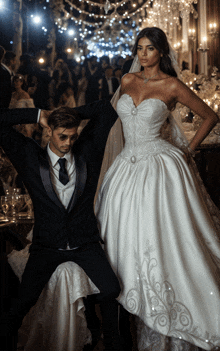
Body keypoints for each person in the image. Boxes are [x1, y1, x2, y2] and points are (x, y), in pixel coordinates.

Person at [95, 27, 220, 351]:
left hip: (159, 166)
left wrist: (187, 150)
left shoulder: (172, 85)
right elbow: (112, 125)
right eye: (139, 48)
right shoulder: (126, 80)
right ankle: (121, 313)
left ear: (161, 52)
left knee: (160, 238)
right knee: (120, 239)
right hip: (125, 168)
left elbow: (210, 116)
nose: (143, 54)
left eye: (149, 48)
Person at [0, 101, 125, 351]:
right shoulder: (28, 156)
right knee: (21, 303)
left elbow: (106, 110)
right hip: (46, 247)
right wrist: (41, 115)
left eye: (73, 136)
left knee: (112, 290)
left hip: (85, 244)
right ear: (49, 132)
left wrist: (68, 116)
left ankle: (112, 343)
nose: (68, 142)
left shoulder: (88, 150)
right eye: (62, 136)